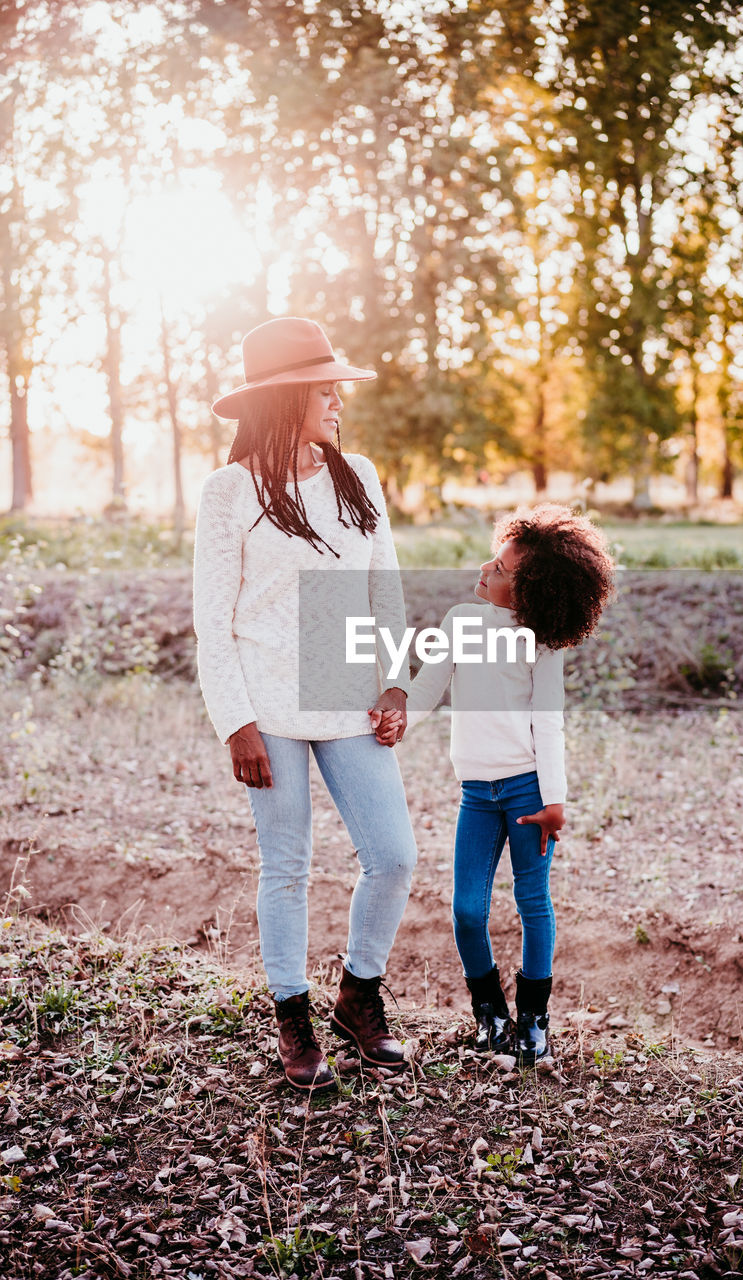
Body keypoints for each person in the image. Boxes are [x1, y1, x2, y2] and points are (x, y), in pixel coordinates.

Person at [193, 316, 417, 1092]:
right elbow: (213, 620)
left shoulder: (356, 474)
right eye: (325, 389)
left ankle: (358, 998)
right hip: (264, 700)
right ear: (286, 397)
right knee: (285, 867)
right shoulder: (230, 491)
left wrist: (396, 684)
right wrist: (237, 724)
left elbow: (382, 590)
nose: (337, 400)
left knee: (392, 857)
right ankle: (293, 1018)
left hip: (343, 681)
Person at [376, 505, 614, 1063]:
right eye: (495, 558)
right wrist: (399, 712)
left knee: (533, 902)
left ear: (531, 593)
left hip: (529, 792)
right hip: (477, 796)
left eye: (501, 569)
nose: (486, 567)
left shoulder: (542, 643)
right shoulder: (460, 621)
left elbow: (549, 722)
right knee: (466, 909)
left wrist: (555, 802)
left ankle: (534, 1019)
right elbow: (429, 682)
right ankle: (489, 1013)